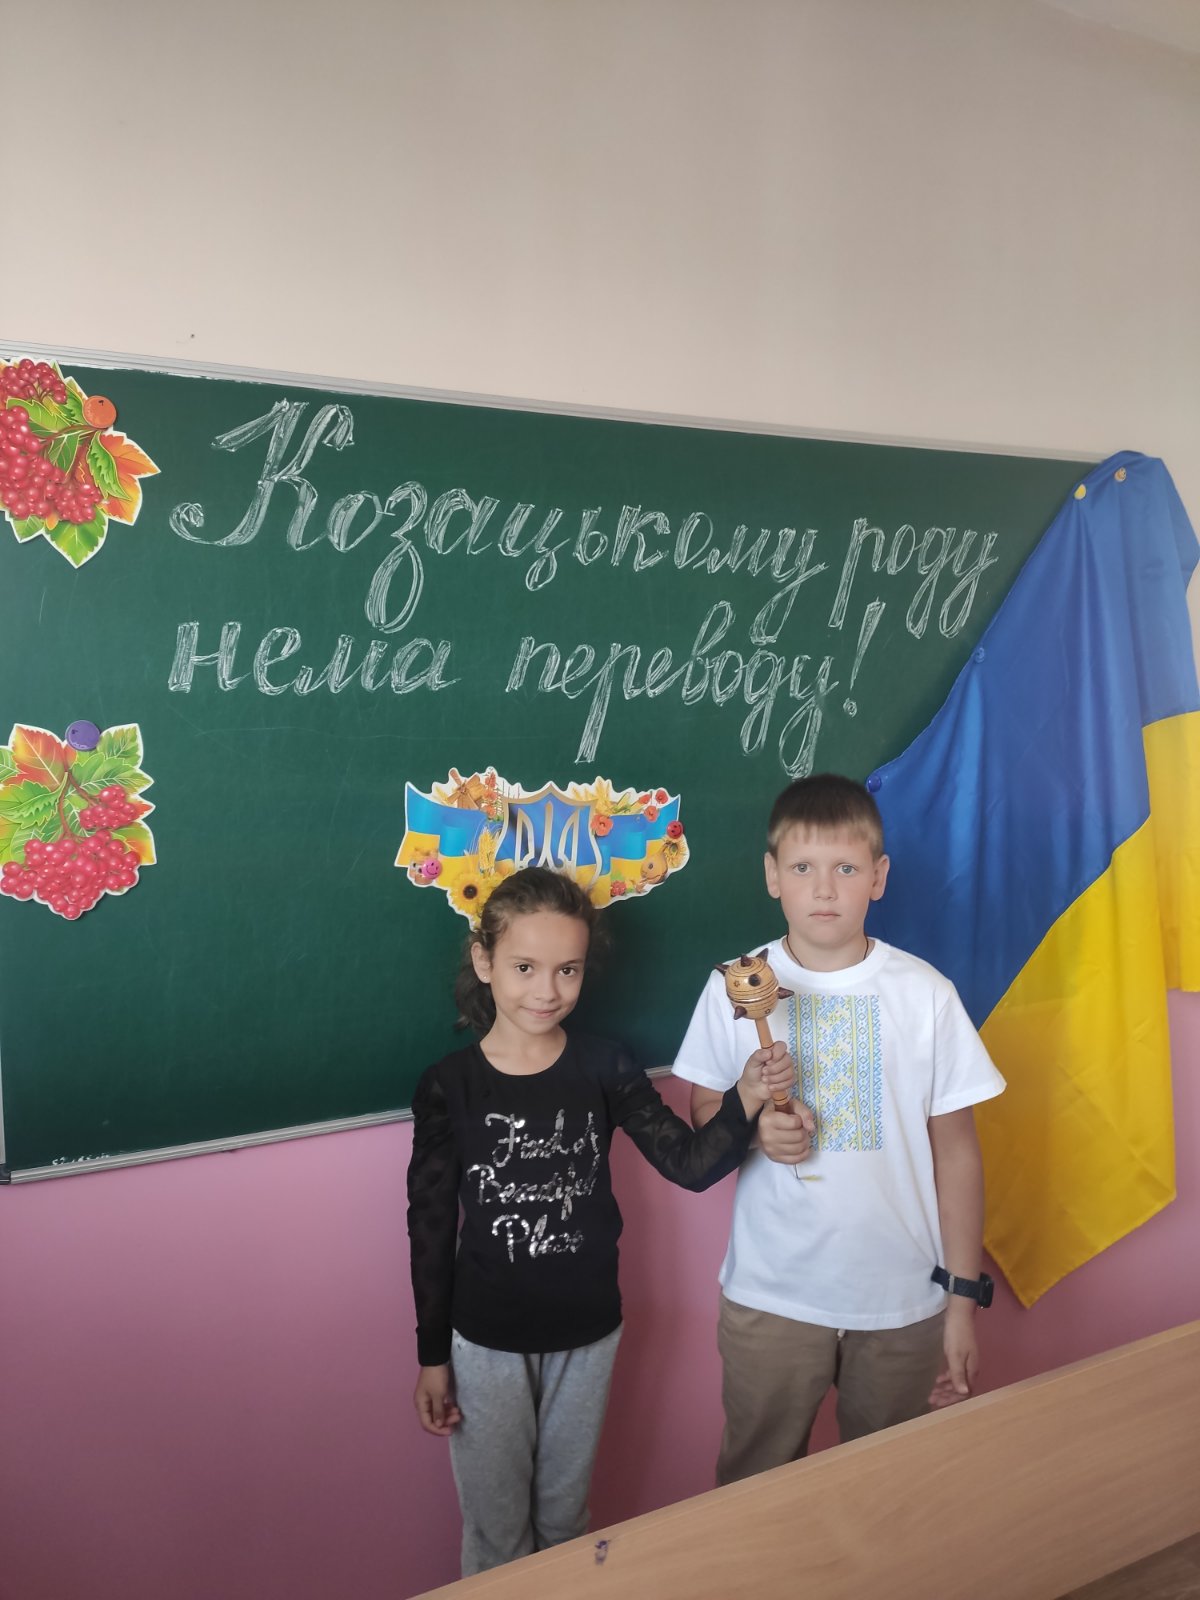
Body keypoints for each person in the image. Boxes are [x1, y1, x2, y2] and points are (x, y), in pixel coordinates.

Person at [406, 863, 792, 1575]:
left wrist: (744, 1096)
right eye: (525, 967)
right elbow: (429, 1227)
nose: (547, 991)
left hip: (588, 1335)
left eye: (568, 970)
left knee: (565, 1524)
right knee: (495, 1534)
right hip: (485, 1342)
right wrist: (433, 1355)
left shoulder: (605, 1066)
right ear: (485, 961)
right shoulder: (448, 1085)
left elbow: (690, 1164)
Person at [673, 772, 1005, 1484]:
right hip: (772, 1296)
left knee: (888, 1489)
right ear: (772, 875)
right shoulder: (733, 985)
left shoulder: (925, 996)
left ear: (878, 877)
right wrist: (754, 1131)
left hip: (903, 1302)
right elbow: (703, 1112)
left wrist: (960, 1302)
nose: (824, 890)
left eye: (846, 869)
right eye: (803, 868)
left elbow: (958, 1155)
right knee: (757, 1488)